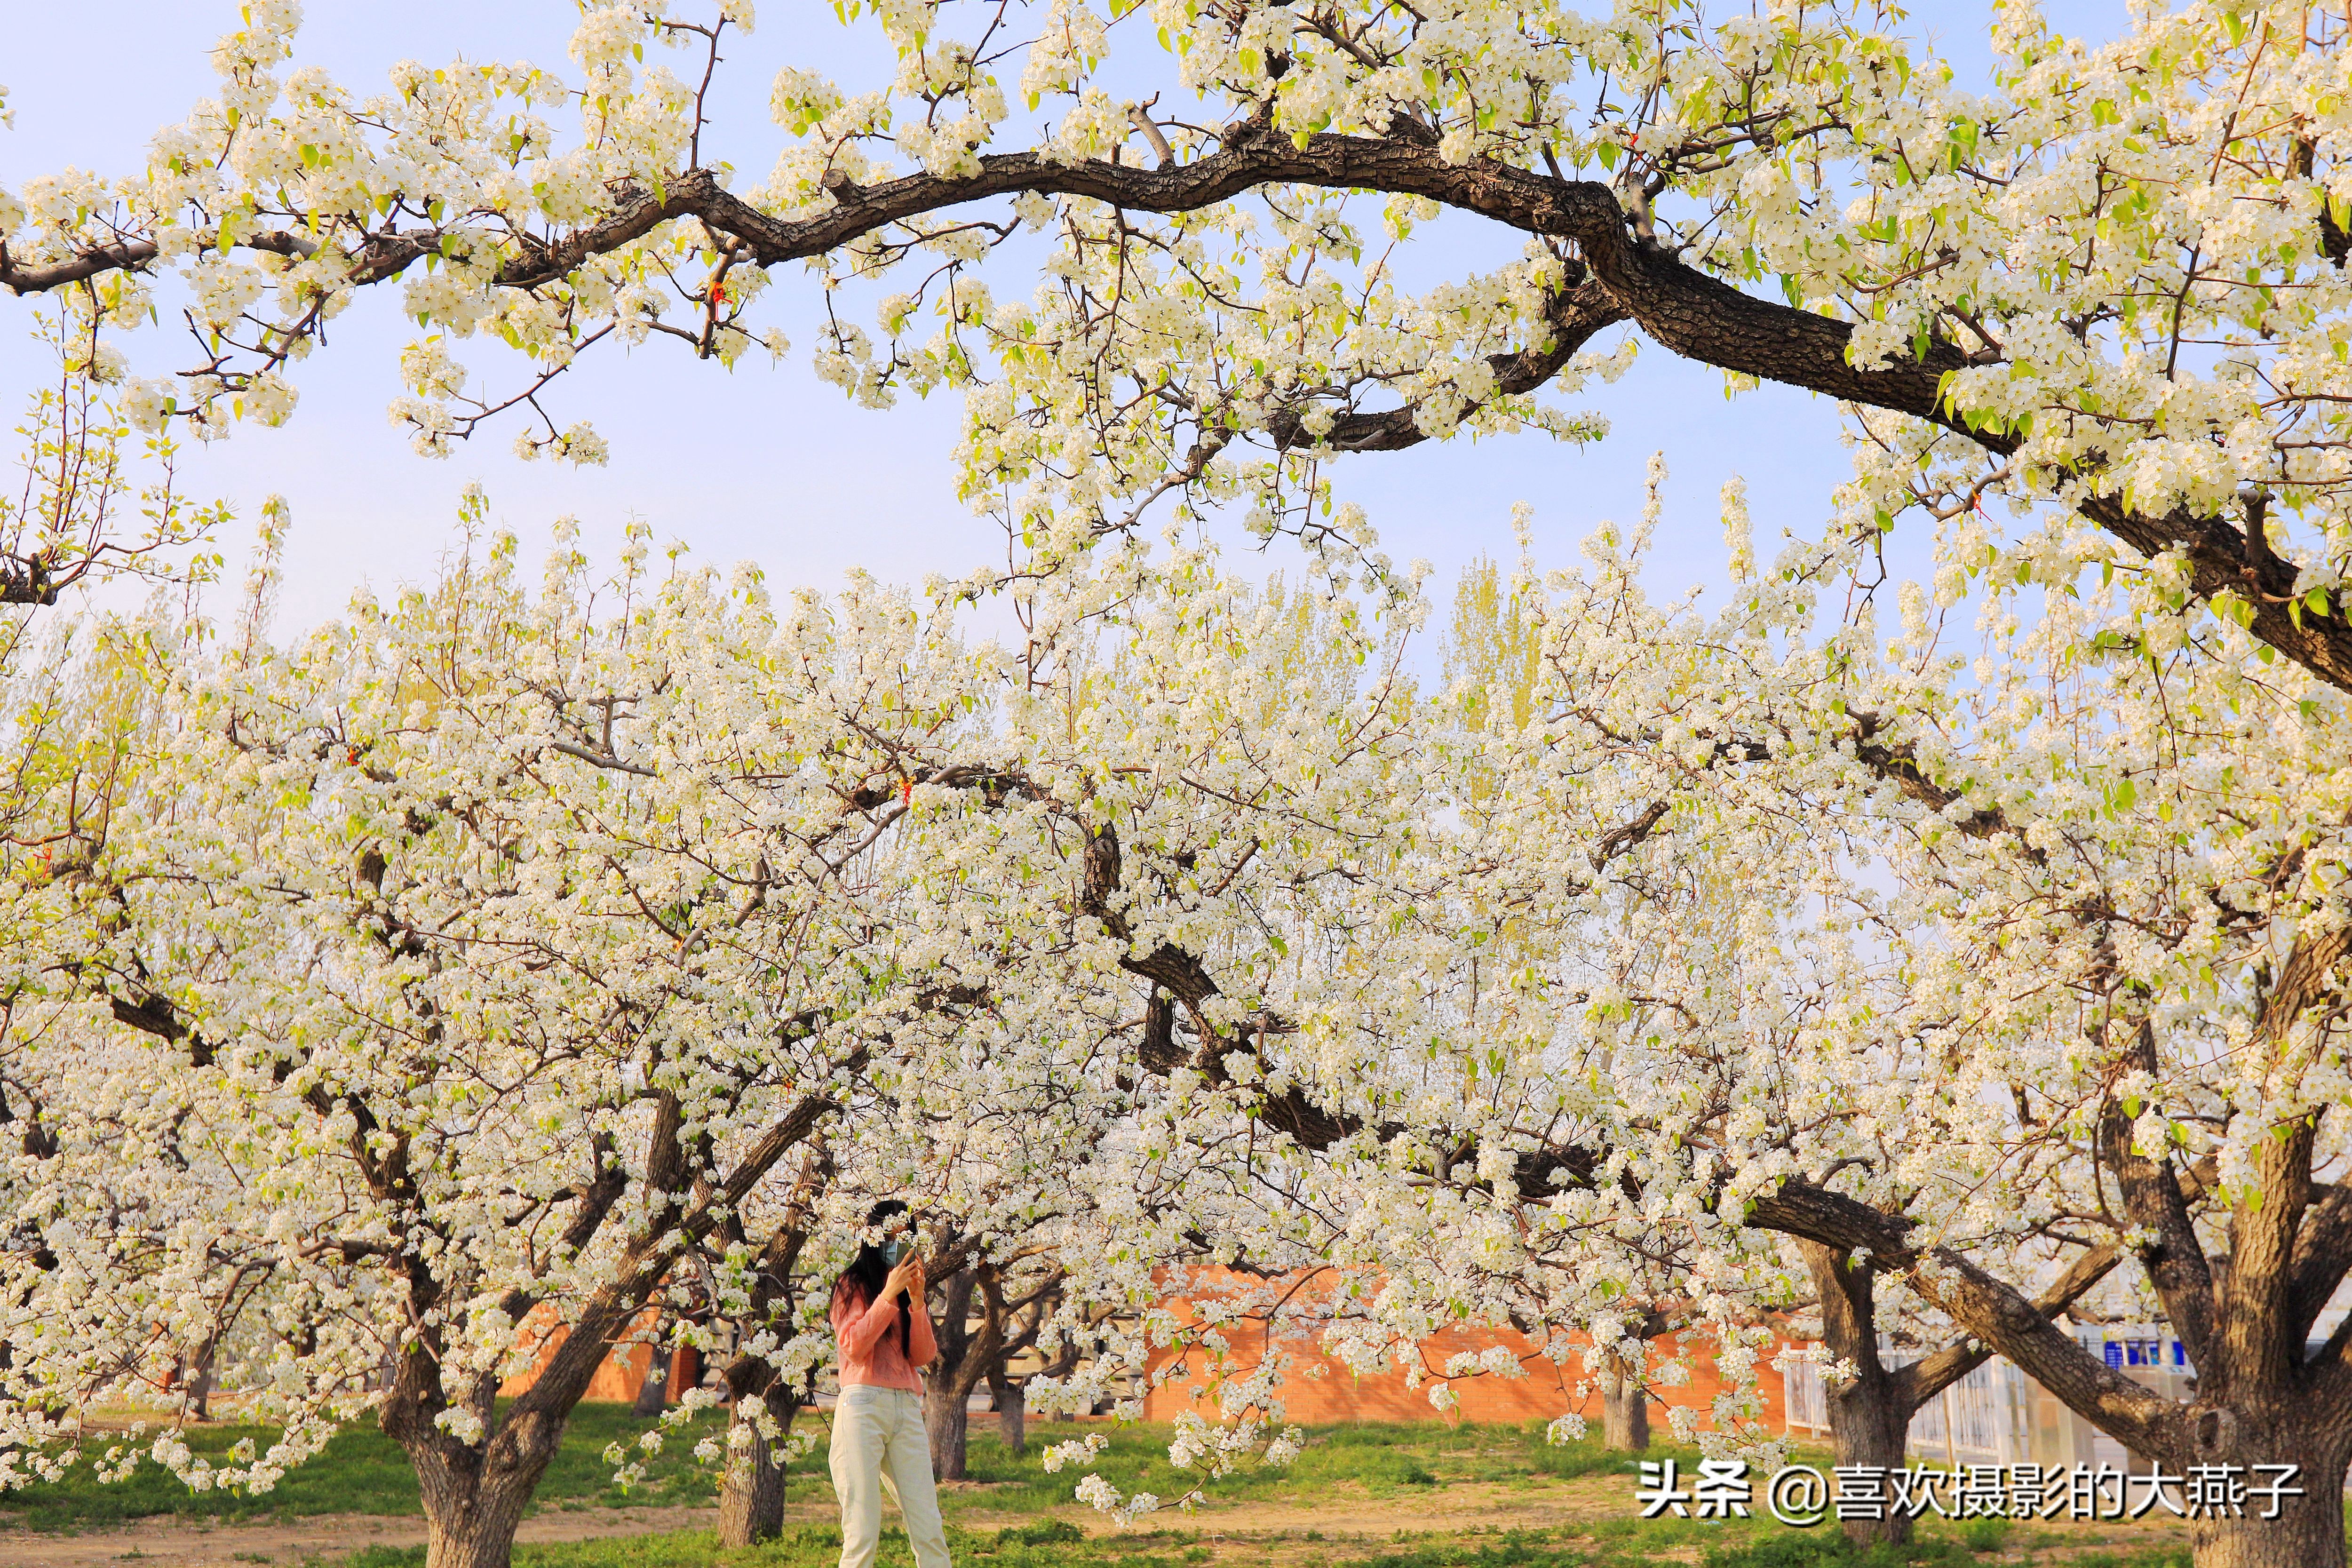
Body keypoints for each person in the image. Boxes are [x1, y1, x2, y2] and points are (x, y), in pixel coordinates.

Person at [829, 1200, 950, 1568]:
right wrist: (886, 1296)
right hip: (863, 1405)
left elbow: (922, 1355)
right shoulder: (853, 1283)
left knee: (928, 1524)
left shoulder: (905, 1290)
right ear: (874, 1237)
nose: (897, 1246)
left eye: (905, 1238)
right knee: (863, 1530)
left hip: (906, 1406)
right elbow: (853, 1345)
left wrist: (915, 1302)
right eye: (890, 1238)